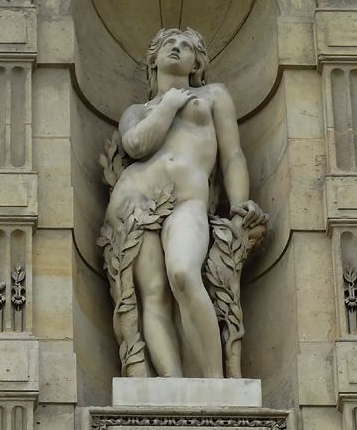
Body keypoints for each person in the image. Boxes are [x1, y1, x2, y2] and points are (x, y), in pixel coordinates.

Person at [104, 27, 266, 378]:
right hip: (135, 203)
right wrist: (168, 105)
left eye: (186, 47)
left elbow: (233, 155)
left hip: (188, 202)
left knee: (183, 271)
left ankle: (215, 382)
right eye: (168, 45)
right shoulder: (137, 110)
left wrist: (240, 204)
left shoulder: (213, 96)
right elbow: (134, 146)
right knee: (153, 294)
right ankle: (171, 386)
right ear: (154, 57)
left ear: (197, 63)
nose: (176, 49)